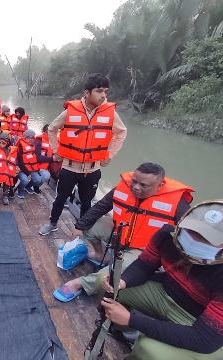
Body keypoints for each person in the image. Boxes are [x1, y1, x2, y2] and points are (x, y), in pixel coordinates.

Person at [50, 163, 193, 302]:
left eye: (143, 185)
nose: (136, 187)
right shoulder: (123, 187)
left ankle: (79, 284)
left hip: (145, 249)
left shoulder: (177, 202)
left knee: (108, 276)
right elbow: (101, 207)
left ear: (159, 186)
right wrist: (79, 226)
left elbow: (191, 233)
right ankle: (101, 255)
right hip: (121, 233)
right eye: (134, 181)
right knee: (90, 227)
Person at [101, 200, 223, 359]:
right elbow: (144, 265)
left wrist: (132, 320)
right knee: (111, 289)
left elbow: (203, 340)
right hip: (166, 292)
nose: (195, 240)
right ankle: (126, 332)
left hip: (199, 322)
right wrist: (122, 281)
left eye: (208, 240)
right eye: (192, 231)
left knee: (148, 349)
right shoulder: (167, 235)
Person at [39, 73, 127, 233]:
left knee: (87, 202)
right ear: (87, 93)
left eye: (105, 91)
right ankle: (52, 223)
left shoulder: (110, 113)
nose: (103, 95)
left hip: (93, 169)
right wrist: (57, 151)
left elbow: (121, 132)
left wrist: (109, 154)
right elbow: (52, 129)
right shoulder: (70, 111)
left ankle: (84, 230)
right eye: (99, 91)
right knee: (60, 199)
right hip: (70, 168)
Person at [15, 129, 51, 199]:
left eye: (32, 138)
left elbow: (36, 158)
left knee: (38, 180)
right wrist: (28, 173)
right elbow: (20, 162)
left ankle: (27, 187)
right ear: (24, 138)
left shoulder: (34, 145)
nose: (31, 139)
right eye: (28, 138)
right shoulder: (20, 146)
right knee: (25, 180)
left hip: (32, 168)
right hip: (22, 169)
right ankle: (20, 190)